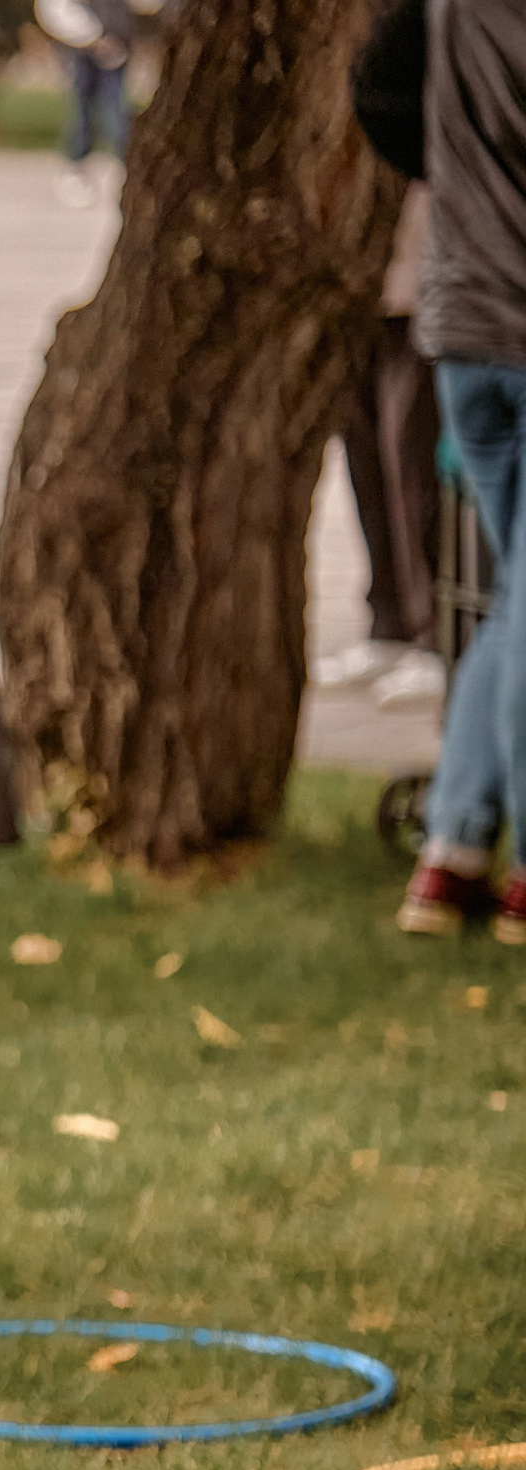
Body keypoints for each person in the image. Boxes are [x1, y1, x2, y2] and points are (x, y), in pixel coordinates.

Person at [360, 0, 526, 940]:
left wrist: (457, 182)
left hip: (462, 322)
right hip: (509, 320)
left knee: (514, 602)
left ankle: (452, 852)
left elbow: (377, 93)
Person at [321, 185, 444, 714]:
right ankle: (388, 619)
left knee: (414, 467)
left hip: (423, 291)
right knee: (365, 461)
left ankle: (435, 634)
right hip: (355, 290)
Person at [34, 0, 136, 206]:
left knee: (117, 113)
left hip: (117, 47)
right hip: (80, 48)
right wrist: (93, 38)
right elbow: (54, 7)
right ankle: (76, 171)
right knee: (81, 113)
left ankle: (131, 170)